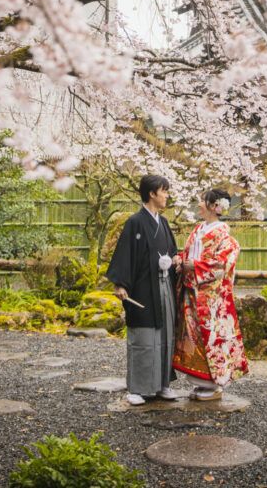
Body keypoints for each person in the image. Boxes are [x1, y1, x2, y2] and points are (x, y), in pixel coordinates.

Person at [106, 173, 178, 406]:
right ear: (151, 193)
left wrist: (175, 261)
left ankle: (162, 384)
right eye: (164, 191)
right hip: (143, 288)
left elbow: (173, 251)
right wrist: (120, 284)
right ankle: (137, 388)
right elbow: (125, 255)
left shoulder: (164, 223)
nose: (167, 195)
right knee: (144, 335)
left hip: (164, 285)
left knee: (166, 334)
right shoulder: (135, 222)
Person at [172, 187, 249, 400]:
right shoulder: (198, 229)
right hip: (191, 293)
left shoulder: (225, 237)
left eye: (202, 201)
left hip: (212, 300)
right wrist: (181, 259)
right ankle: (200, 382)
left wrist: (194, 266)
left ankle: (213, 385)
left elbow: (221, 265)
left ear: (215, 207)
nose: (198, 204)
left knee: (212, 339)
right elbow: (188, 254)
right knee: (192, 337)